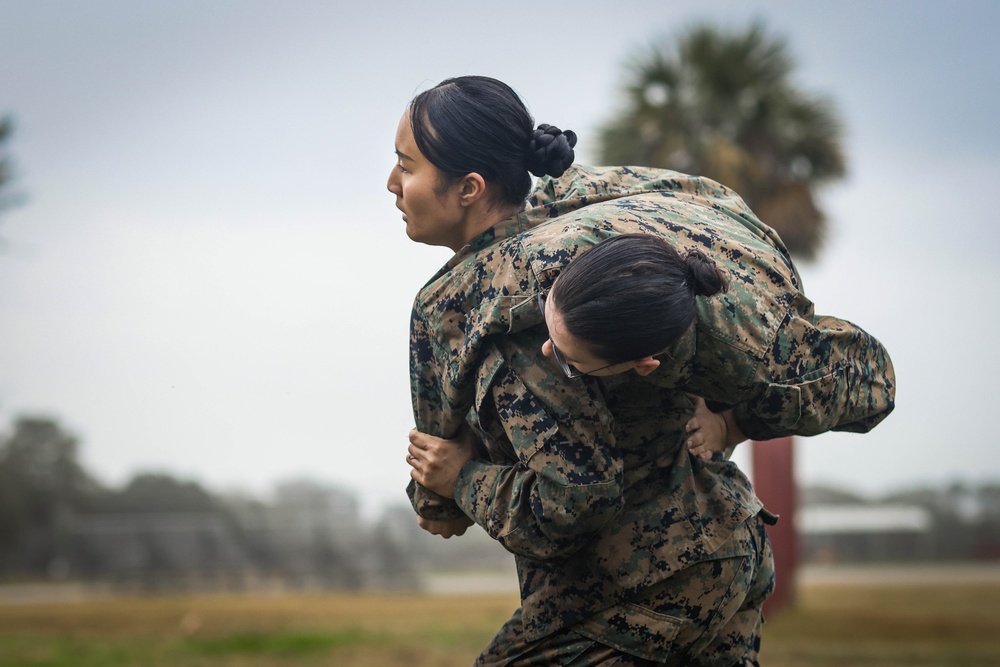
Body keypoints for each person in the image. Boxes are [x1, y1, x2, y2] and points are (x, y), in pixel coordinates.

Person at [389, 75, 894, 666]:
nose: (393, 184)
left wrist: (460, 483)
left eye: (407, 165)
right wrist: (733, 419)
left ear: (470, 187)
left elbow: (573, 501)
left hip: (646, 582)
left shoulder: (519, 325)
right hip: (725, 543)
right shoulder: (585, 217)